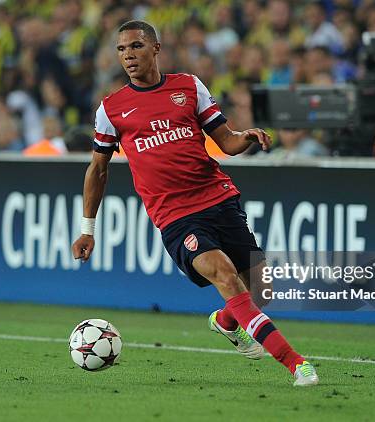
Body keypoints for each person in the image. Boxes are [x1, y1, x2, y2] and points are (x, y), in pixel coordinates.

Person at [71, 20, 319, 387]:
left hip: (218, 198)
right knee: (223, 274)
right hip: (175, 217)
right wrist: (87, 229)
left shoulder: (187, 87)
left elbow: (226, 139)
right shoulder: (112, 109)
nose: (128, 55)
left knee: (262, 291)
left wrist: (245, 137)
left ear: (156, 48)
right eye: (122, 49)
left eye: (136, 46)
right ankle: (296, 363)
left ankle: (226, 321)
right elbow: (98, 169)